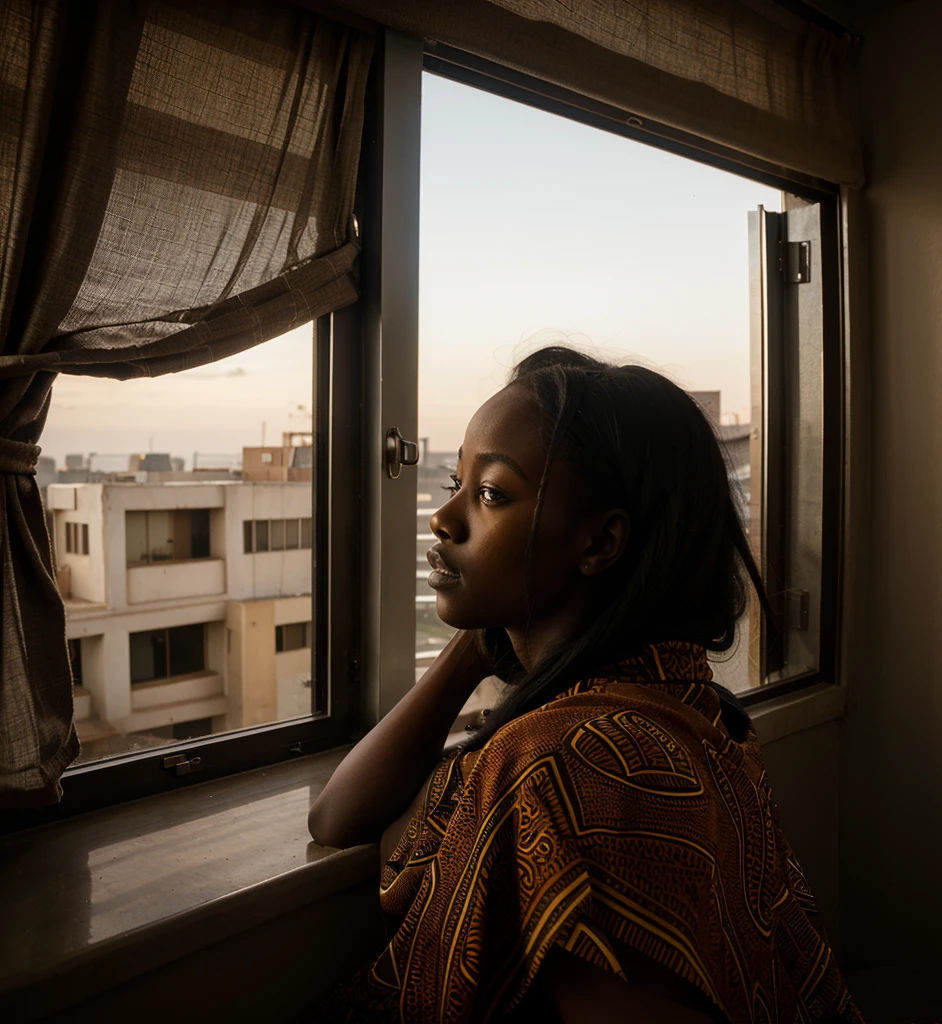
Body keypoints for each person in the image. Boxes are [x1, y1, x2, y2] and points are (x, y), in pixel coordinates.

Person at [308, 346, 862, 1023]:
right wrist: (472, 650)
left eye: (491, 494)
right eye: (456, 482)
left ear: (600, 544)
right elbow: (341, 817)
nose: (443, 519)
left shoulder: (562, 765)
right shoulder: (687, 713)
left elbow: (340, 818)